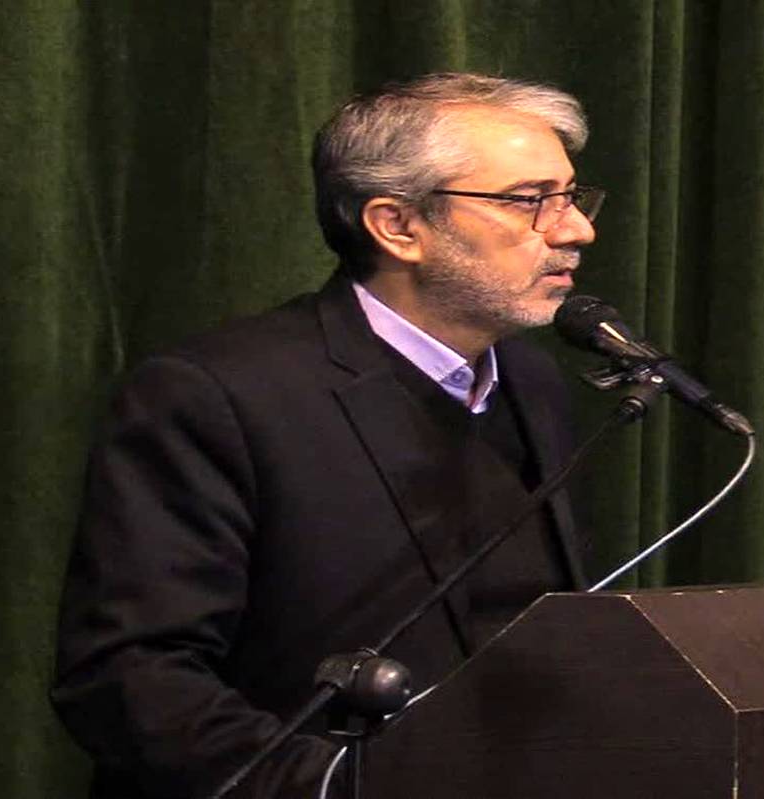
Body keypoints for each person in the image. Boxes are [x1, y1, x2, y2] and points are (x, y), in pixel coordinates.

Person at [51, 73, 605, 798]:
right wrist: (338, 784)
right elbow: (130, 677)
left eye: (570, 196)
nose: (575, 229)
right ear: (397, 226)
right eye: (528, 200)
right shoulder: (216, 395)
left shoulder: (531, 382)